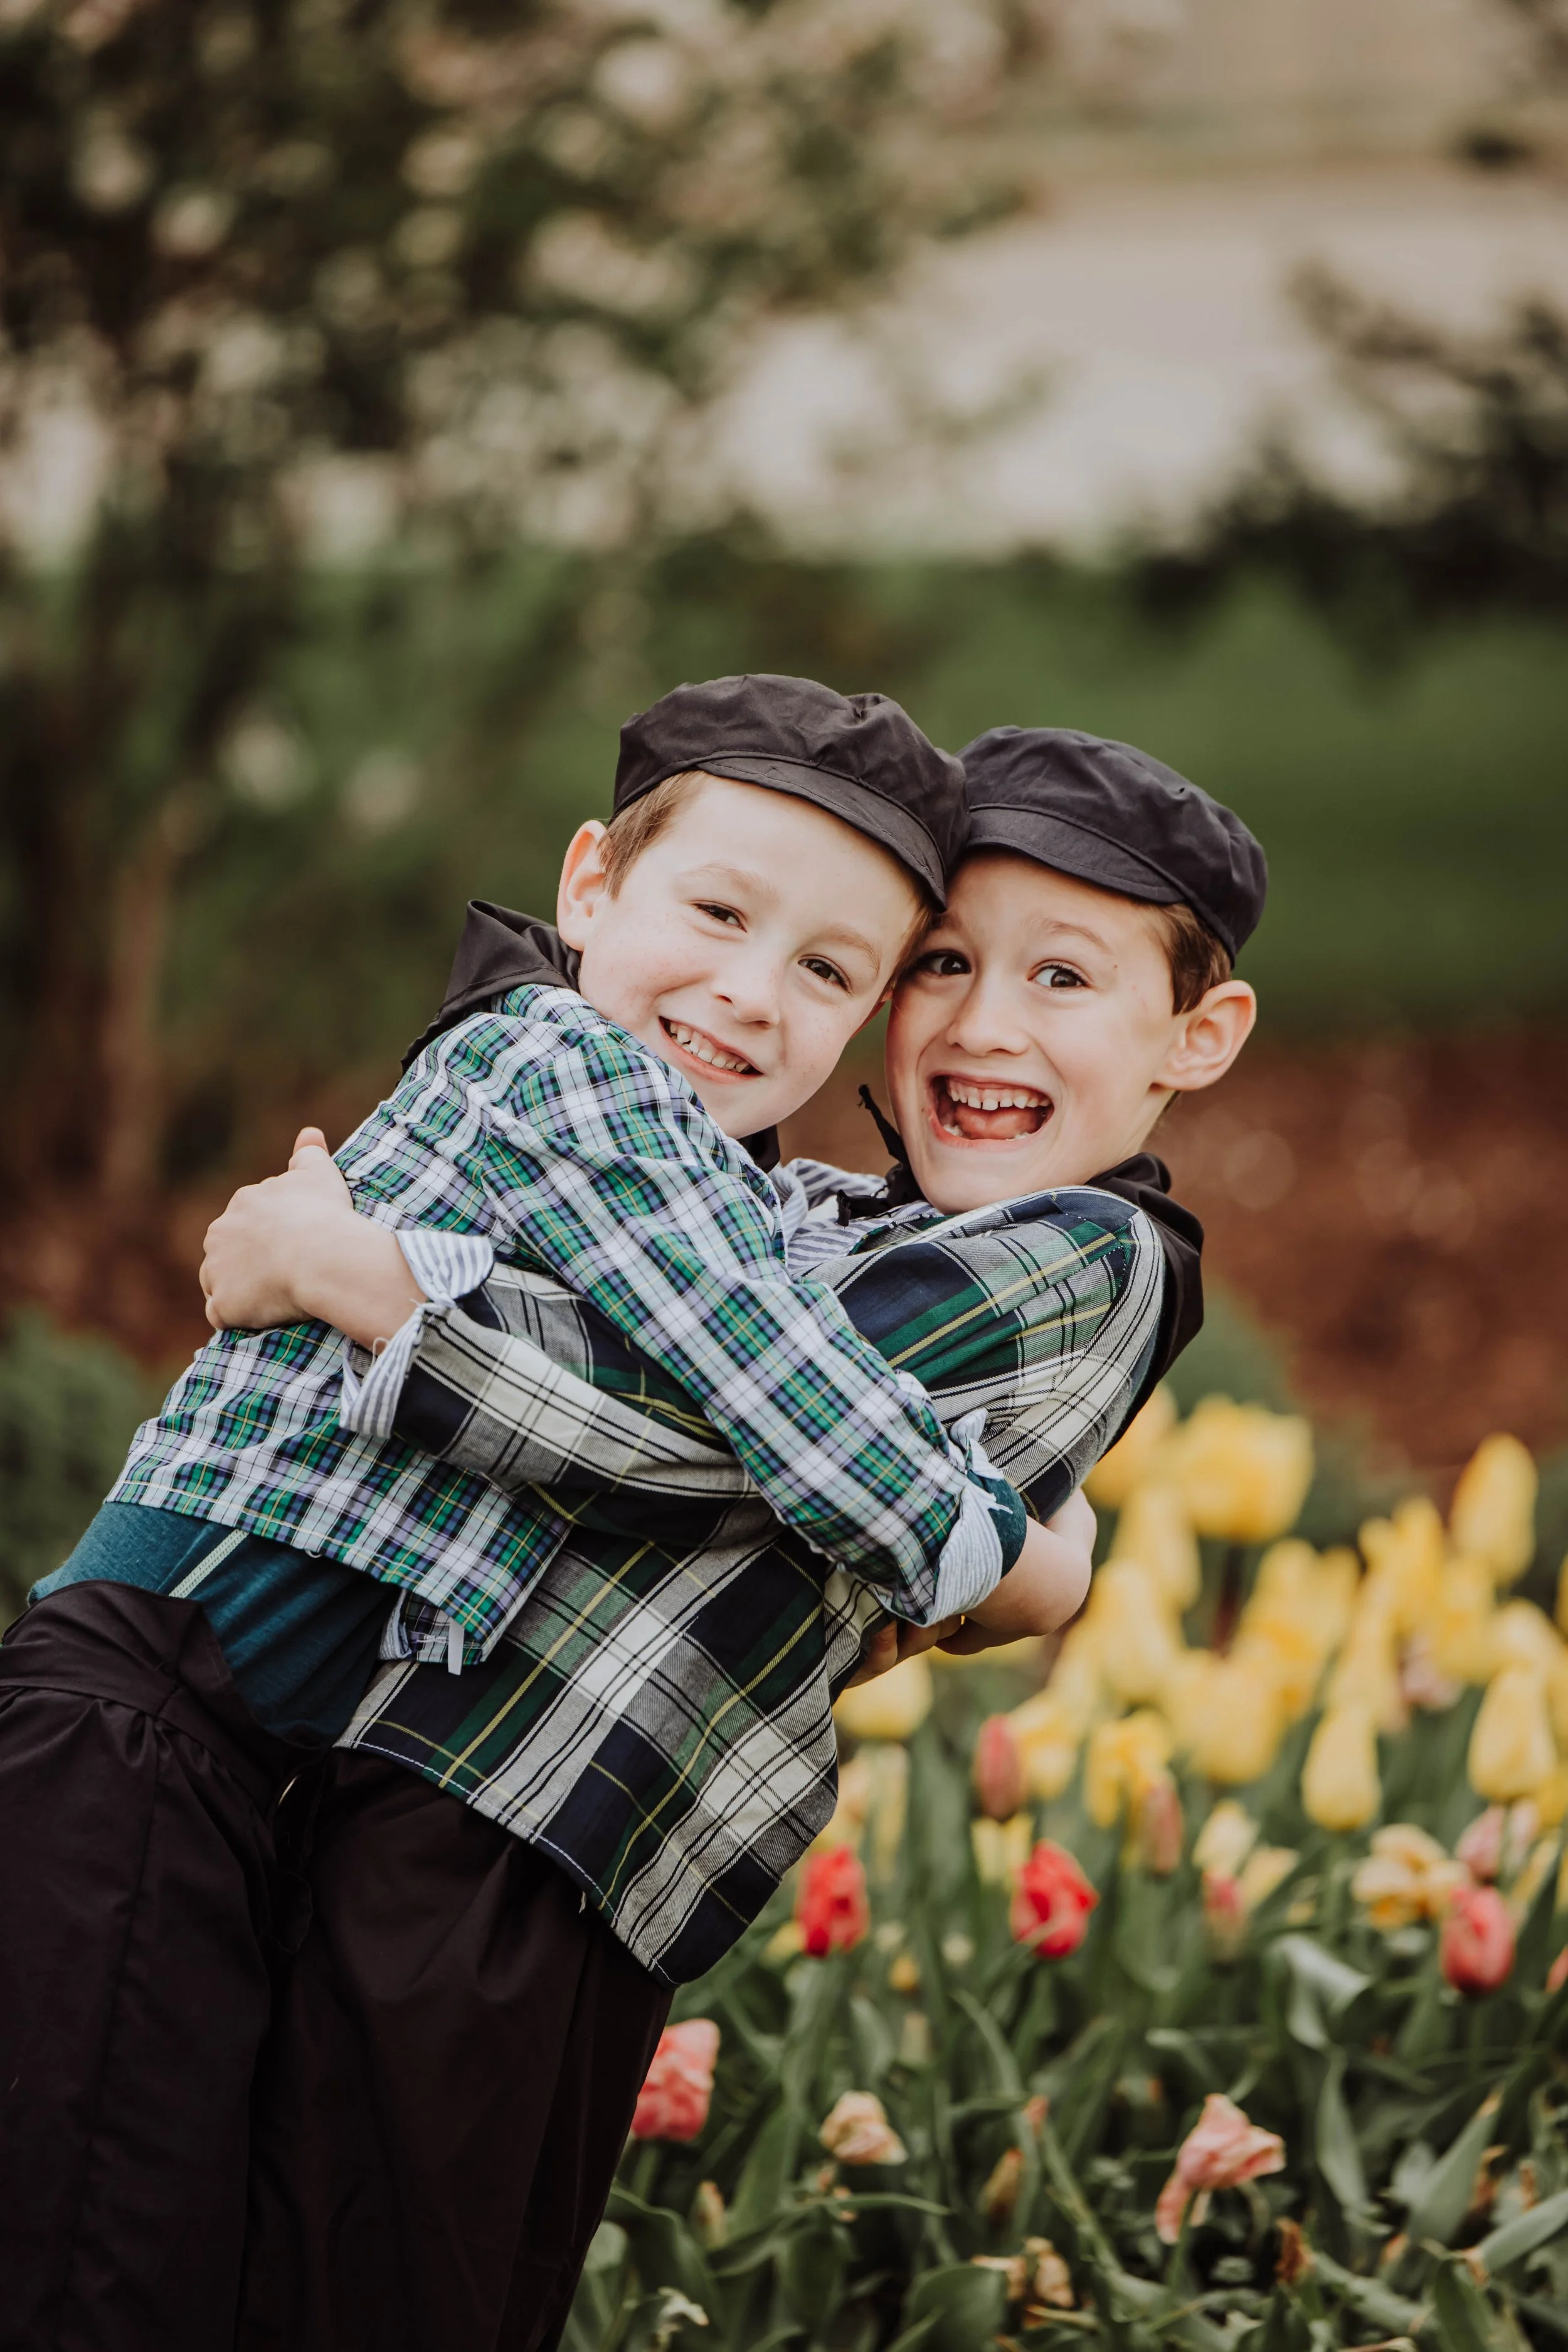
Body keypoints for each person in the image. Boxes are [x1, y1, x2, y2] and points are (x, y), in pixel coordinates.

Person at [0, 676, 1071, 2352]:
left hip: (255, 1765)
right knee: (89, 2281)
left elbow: (626, 1404)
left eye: (826, 969)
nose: (747, 991)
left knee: (189, 2270)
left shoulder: (710, 1177)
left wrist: (371, 1273)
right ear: (590, 887)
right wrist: (1004, 1553)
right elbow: (774, 1387)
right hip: (143, 1723)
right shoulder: (563, 1064)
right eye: (716, 911)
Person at [201, 724, 1264, 2349]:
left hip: (523, 1840)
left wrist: (366, 1283)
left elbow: (722, 1423)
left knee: (369, 2284)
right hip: (427, 1780)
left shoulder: (1087, 1254)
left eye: (1063, 979)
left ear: (1198, 1034)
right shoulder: (831, 1215)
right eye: (942, 964)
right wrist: (1026, 1539)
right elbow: (731, 1345)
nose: (981, 1023)